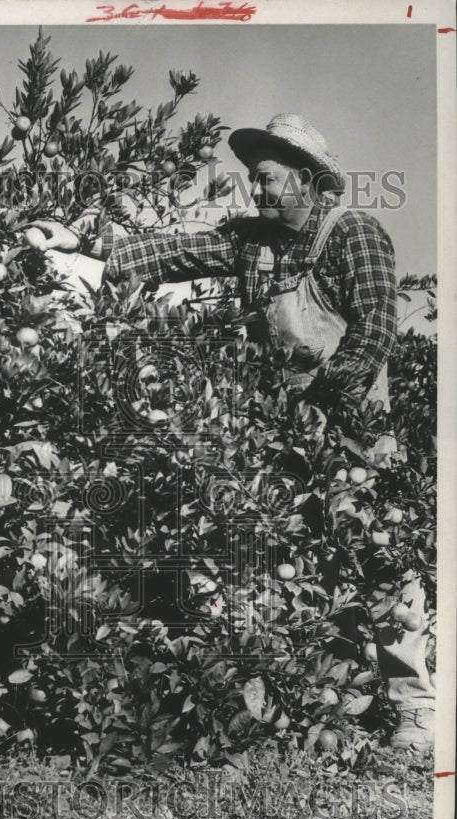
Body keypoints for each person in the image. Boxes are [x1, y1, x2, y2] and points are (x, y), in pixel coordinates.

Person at [30, 113, 435, 749]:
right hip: (280, 432)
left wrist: (322, 409)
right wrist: (81, 243)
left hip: (353, 426)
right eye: (252, 178)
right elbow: (171, 250)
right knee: (280, 554)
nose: (257, 189)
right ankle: (305, 699)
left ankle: (414, 709)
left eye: (268, 178)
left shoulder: (353, 234)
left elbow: (374, 335)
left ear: (305, 179)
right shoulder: (251, 243)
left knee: (380, 557)